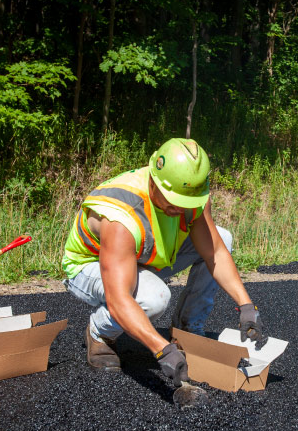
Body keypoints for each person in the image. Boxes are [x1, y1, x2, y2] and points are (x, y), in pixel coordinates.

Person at [62, 138, 267, 387]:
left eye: (186, 202)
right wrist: (163, 351)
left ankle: (186, 330)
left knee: (222, 236)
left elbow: (215, 251)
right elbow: (119, 300)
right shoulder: (120, 214)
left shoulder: (191, 192)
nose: (181, 208)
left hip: (142, 254)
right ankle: (99, 332)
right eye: (174, 201)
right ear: (153, 181)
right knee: (153, 297)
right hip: (90, 266)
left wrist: (246, 306)